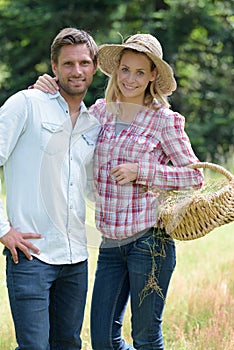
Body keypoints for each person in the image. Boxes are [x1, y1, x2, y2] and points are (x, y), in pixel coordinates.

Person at [34, 33, 204, 349]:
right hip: (111, 245)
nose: (130, 78)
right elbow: (61, 120)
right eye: (125, 69)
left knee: (145, 338)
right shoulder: (100, 113)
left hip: (150, 243)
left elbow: (195, 178)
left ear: (154, 75)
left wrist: (143, 172)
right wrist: (45, 89)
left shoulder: (165, 121)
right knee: (103, 340)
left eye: (140, 72)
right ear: (116, 70)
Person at [0, 27, 100, 350]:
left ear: (94, 67)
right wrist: (3, 229)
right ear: (54, 67)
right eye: (68, 64)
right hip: (31, 255)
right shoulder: (26, 104)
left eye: (84, 63)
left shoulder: (92, 124)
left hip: (76, 259)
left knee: (69, 344)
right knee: (34, 347)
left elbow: (94, 185)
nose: (77, 71)